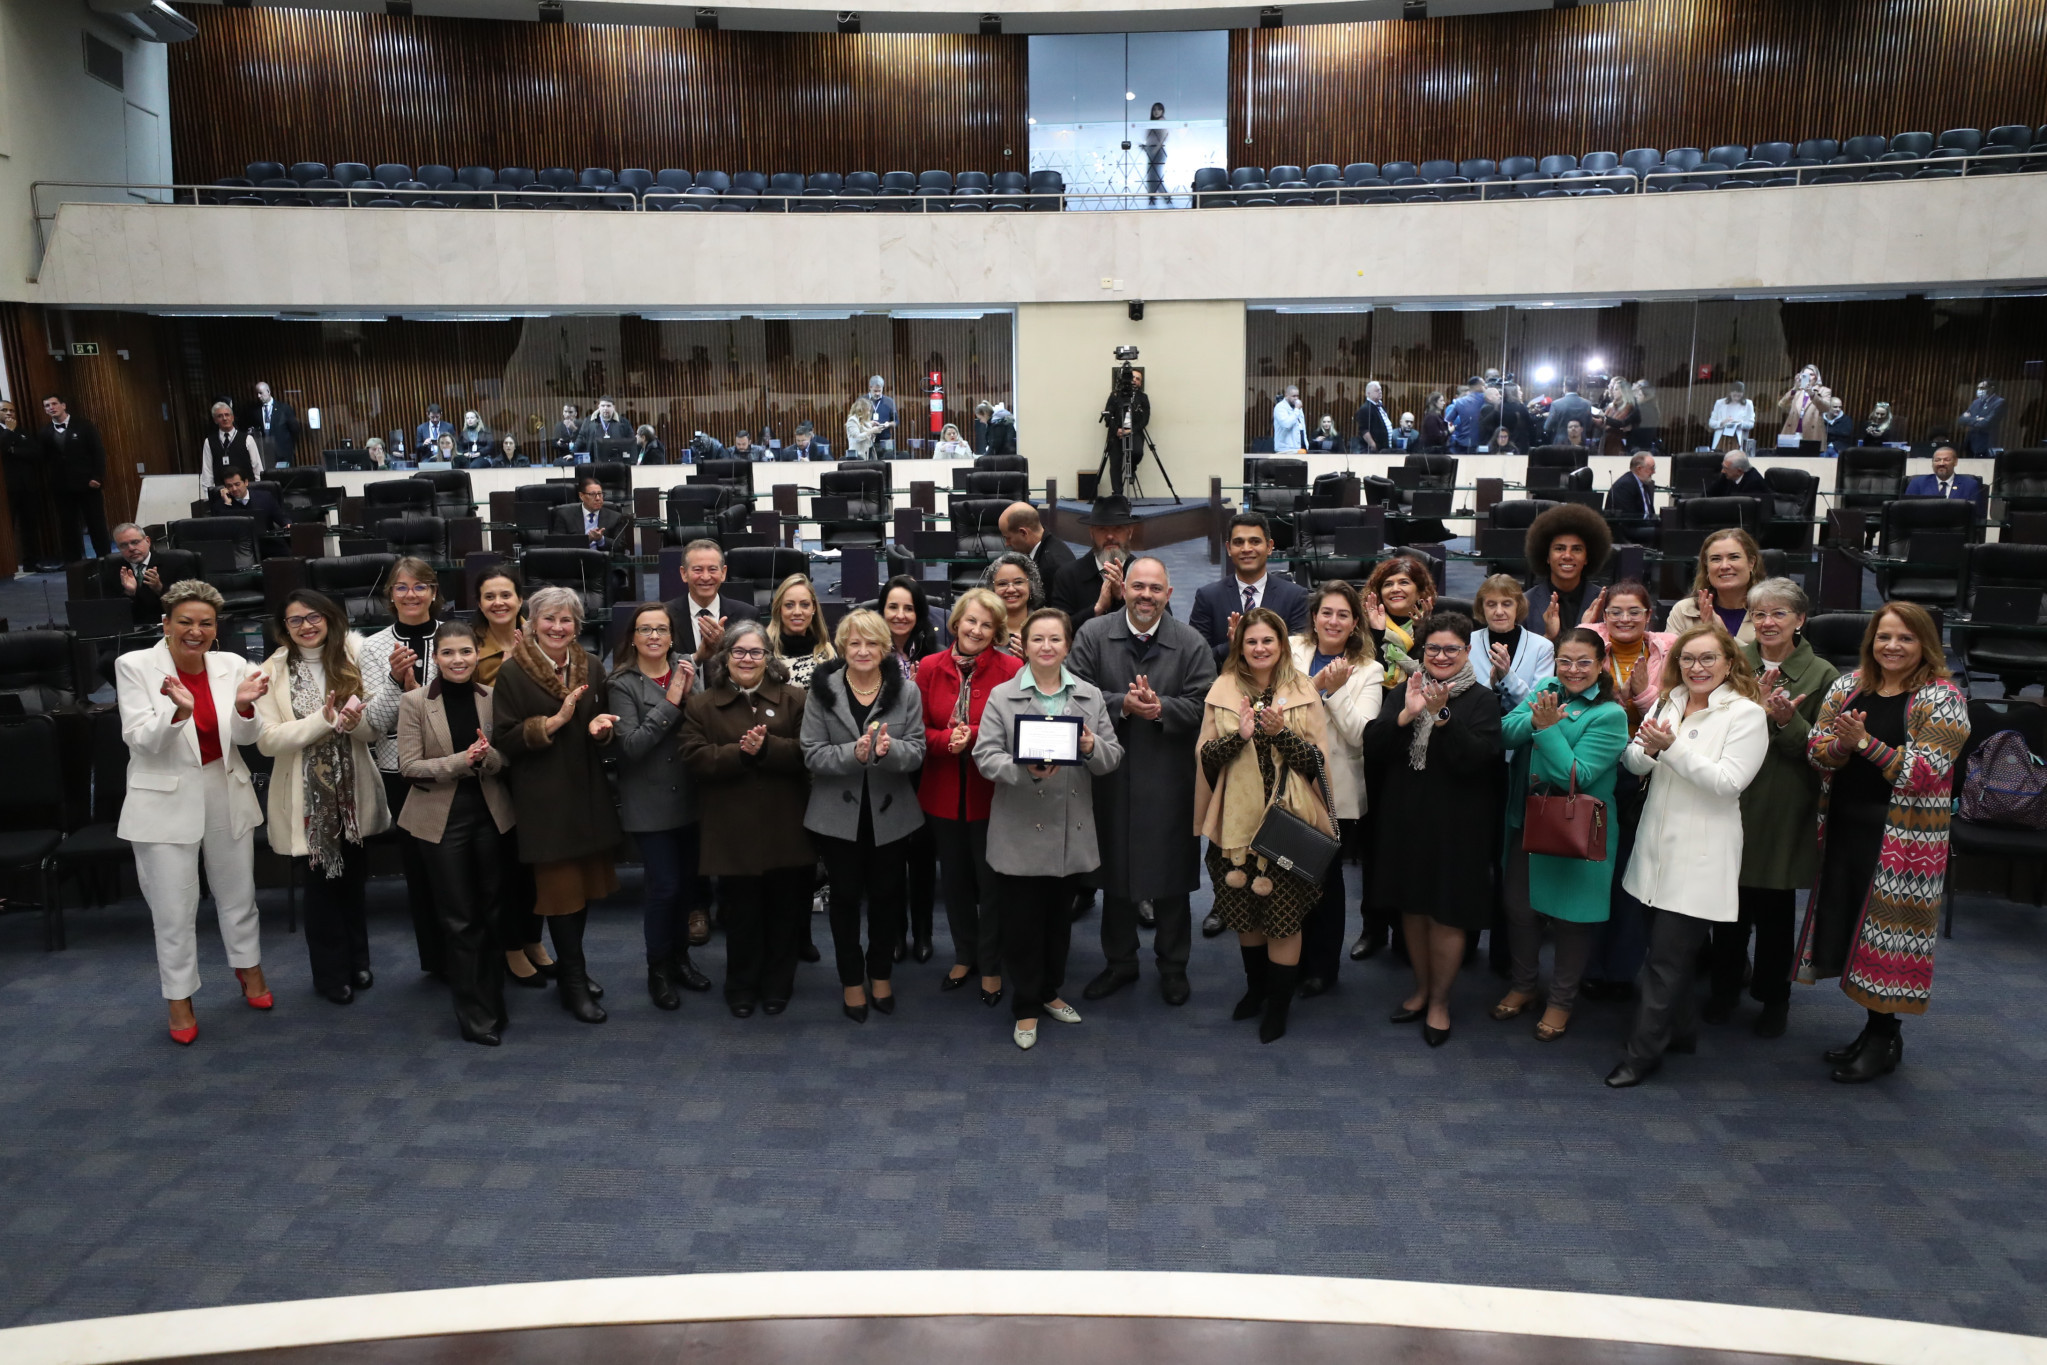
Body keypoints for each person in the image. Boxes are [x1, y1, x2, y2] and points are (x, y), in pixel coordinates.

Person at [1798, 603, 1968, 1083]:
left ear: (1926, 646)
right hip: (1847, 830)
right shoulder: (1849, 686)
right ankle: (1876, 1032)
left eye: (1906, 639)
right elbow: (1817, 749)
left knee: (1889, 940)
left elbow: (1919, 774)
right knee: (1856, 931)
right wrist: (1841, 746)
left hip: (1905, 842)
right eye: (1884, 637)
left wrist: (1864, 743)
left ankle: (1882, 1038)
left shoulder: (1943, 697)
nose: (1892, 646)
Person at [1605, 626, 1768, 1088]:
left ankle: (1641, 1055)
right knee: (1662, 951)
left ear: (1730, 663)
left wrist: (1670, 746)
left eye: (1708, 659)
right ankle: (1682, 1032)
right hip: (1654, 849)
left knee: (1664, 962)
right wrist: (1648, 749)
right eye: (1689, 659)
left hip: (1700, 855)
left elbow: (1727, 783)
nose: (1697, 668)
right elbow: (1634, 762)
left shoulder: (1746, 715)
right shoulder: (1670, 699)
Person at [116, 580, 272, 1045]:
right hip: (163, 797)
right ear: (165, 624)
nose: (195, 631)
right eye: (185, 622)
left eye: (205, 623)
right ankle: (179, 999)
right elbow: (139, 739)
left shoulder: (231, 665)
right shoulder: (135, 665)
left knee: (238, 893)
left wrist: (245, 707)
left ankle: (250, 969)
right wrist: (177, 713)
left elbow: (247, 738)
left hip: (224, 788)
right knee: (173, 909)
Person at [1072, 555, 1218, 1006]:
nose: (1146, 596)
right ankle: (1120, 964)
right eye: (1138, 587)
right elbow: (1073, 692)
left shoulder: (1191, 643)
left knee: (1172, 881)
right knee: (1115, 879)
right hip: (1109, 779)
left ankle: (1173, 967)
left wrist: (1161, 710)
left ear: (1169, 595)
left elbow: (1203, 706)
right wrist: (1122, 704)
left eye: (1156, 589)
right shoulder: (1093, 635)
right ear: (1123, 589)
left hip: (1170, 782)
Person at [975, 607, 1123, 1050]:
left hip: (1068, 831)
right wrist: (1026, 770)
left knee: (1058, 922)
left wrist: (1093, 745)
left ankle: (1049, 992)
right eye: (1037, 639)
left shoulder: (1090, 696)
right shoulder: (1003, 696)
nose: (1046, 647)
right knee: (1022, 925)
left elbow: (1113, 756)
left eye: (1055, 639)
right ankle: (1025, 1006)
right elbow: (985, 757)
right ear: (1025, 645)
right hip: (1020, 829)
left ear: (1068, 645)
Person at [1701, 577, 1837, 1037]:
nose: (1768, 622)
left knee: (1775, 915)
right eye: (1759, 614)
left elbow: (1823, 751)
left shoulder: (1823, 675)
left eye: (1779, 613)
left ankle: (1774, 999)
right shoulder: (1736, 664)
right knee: (1727, 910)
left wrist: (1785, 718)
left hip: (1783, 804)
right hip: (1732, 800)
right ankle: (1722, 991)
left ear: (1800, 620)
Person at [1362, 613, 1504, 1046]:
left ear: (1466, 653)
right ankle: (1421, 990)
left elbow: (1478, 758)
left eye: (1451, 649)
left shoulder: (1481, 700)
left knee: (1446, 913)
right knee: (1413, 907)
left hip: (1458, 827)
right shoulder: (1405, 689)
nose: (1441, 656)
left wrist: (1442, 716)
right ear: (1421, 653)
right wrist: (1406, 715)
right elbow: (1373, 746)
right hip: (1405, 820)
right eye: (1433, 649)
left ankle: (1440, 1001)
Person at [1194, 609, 1335, 1044]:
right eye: (1251, 642)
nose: (1259, 649)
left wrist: (1280, 733)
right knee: (1245, 916)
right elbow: (1206, 761)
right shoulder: (1221, 691)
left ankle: (1278, 1006)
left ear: (1281, 646)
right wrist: (1239, 736)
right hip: (1237, 826)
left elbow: (1316, 765)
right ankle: (1256, 991)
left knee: (1284, 920)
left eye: (1268, 642)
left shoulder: (1302, 691)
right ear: (1241, 647)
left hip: (1286, 826)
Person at [490, 585, 622, 1025]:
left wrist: (602, 730)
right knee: (561, 894)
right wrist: (555, 721)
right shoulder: (513, 673)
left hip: (587, 794)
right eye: (549, 619)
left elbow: (602, 730)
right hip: (544, 800)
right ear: (530, 624)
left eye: (566, 620)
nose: (558, 628)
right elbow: (505, 738)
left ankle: (571, 972)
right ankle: (574, 982)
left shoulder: (593, 666)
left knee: (582, 891)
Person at [254, 590, 391, 1006]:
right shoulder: (271, 671)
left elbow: (374, 731)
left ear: (330, 618)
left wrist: (353, 723)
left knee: (352, 884)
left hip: (353, 794)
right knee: (321, 892)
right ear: (284, 627)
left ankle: (358, 960)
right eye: (295, 621)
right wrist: (323, 720)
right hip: (306, 804)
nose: (306, 626)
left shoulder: (354, 654)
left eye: (314, 617)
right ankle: (330, 975)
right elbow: (267, 741)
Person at [1496, 628, 1629, 1042]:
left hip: (1577, 829)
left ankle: (1560, 1001)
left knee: (1572, 920)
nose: (1572, 670)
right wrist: (1540, 721)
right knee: (1520, 910)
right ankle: (1523, 985)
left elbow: (1578, 774)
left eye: (1583, 662)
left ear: (1601, 663)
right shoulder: (1546, 687)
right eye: (1565, 661)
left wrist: (1546, 729)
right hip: (1527, 819)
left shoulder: (1609, 714)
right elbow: (1504, 732)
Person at [682, 621, 813, 1017]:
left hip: (786, 825)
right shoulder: (702, 704)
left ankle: (777, 985)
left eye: (756, 652)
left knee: (784, 914)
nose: (747, 659)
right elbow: (692, 757)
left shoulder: (795, 699)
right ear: (724, 658)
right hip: (731, 829)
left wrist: (767, 748)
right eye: (739, 652)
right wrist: (740, 753)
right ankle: (740, 986)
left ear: (769, 659)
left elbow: (809, 752)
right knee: (741, 916)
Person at [396, 622, 518, 1045]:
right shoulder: (414, 702)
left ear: (475, 653)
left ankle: (493, 999)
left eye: (465, 651)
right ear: (437, 658)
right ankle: (474, 1015)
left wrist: (487, 759)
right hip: (440, 819)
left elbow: (505, 760)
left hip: (490, 815)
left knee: (492, 911)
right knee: (460, 918)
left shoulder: (491, 698)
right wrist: (461, 760)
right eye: (448, 653)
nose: (458, 660)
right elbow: (408, 766)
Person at [803, 609, 926, 1022]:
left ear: (884, 647)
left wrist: (893, 752)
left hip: (890, 813)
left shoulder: (906, 692)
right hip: (837, 816)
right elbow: (812, 753)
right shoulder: (822, 690)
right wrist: (850, 754)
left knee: (888, 898)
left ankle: (880, 973)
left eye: (871, 643)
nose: (862, 651)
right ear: (842, 647)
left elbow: (918, 751)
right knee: (845, 899)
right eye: (854, 643)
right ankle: (851, 979)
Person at [602, 602, 713, 1013]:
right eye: (645, 629)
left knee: (686, 886)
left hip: (690, 795)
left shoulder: (687, 669)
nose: (653, 636)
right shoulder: (622, 683)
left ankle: (682, 959)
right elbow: (630, 746)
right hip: (648, 801)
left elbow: (702, 722)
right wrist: (672, 700)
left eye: (661, 630)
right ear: (632, 637)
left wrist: (688, 691)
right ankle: (658, 969)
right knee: (663, 887)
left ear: (672, 637)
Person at [918, 588, 1022, 1006]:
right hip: (942, 792)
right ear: (954, 622)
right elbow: (916, 730)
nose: (977, 630)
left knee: (991, 883)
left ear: (996, 631)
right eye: (970, 621)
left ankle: (992, 964)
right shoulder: (928, 667)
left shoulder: (1013, 668)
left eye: (987, 624)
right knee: (956, 880)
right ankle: (964, 955)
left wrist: (973, 737)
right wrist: (947, 741)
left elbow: (1018, 729)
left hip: (991, 794)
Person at [1286, 582, 1383, 996]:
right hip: (1284, 780)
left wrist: (1335, 690)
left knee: (1324, 882)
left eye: (1343, 615)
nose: (1333, 621)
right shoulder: (1290, 651)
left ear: (1355, 623)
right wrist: (1314, 687)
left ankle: (1322, 967)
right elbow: (1272, 703)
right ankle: (1287, 958)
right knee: (1286, 875)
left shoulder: (1369, 670)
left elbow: (1362, 735)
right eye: (1327, 612)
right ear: (1314, 617)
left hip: (1334, 791)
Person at [357, 557, 447, 981]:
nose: (411, 595)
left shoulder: (455, 635)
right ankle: (435, 957)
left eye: (420, 586)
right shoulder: (373, 648)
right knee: (420, 868)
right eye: (402, 587)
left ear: (434, 591)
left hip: (455, 764)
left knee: (460, 865)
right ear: (389, 595)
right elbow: (374, 722)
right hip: (401, 770)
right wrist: (398, 684)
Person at [1188, 511, 1311, 665]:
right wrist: (1232, 647)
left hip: (1278, 685)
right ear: (1228, 548)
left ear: (1269, 546)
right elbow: (1195, 658)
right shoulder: (1208, 597)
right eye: (1239, 542)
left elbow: (1299, 654)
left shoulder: (1295, 596)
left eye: (1255, 541)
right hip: (1225, 684)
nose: (1246, 548)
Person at [1048, 495, 1141, 628]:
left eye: (1117, 528)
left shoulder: (1145, 574)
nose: (1110, 536)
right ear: (1091, 533)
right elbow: (1058, 629)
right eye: (1102, 529)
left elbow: (1161, 624)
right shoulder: (1068, 575)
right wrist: (1097, 608)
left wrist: (1122, 598)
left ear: (1130, 532)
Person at [1523, 502, 1611, 642]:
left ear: (1587, 557)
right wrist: (1548, 638)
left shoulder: (1606, 602)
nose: (1567, 556)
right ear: (1547, 556)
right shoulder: (1525, 603)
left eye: (1576, 549)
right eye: (1559, 548)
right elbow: (1519, 659)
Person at [664, 539, 760, 662]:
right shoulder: (665, 615)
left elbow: (755, 664)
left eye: (712, 569)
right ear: (684, 573)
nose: (705, 577)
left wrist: (724, 646)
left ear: (723, 573)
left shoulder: (747, 615)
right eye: (698, 570)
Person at [39, 394, 110, 559]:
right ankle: (74, 562)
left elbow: (98, 452)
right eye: (47, 406)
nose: (51, 408)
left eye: (54, 404)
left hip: (88, 484)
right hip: (62, 487)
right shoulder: (45, 432)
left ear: (63, 405)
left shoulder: (84, 426)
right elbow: (43, 459)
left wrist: (97, 477)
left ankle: (105, 558)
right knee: (68, 526)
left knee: (96, 523)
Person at [1663, 528, 1765, 643]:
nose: (1724, 566)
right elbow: (1671, 658)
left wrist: (1724, 635)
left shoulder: (1770, 612)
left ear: (1751, 563)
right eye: (1716, 559)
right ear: (1706, 567)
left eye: (1734, 557)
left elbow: (1771, 660)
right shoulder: (1684, 610)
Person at [1475, 575, 1556, 717]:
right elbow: (1463, 701)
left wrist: (1507, 678)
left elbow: (1539, 705)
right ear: (1482, 607)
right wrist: (1492, 683)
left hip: (1524, 732)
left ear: (1518, 606)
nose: (1499, 612)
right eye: (1491, 604)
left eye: (1506, 604)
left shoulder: (1543, 647)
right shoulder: (1466, 643)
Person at [1, 399, 50, 570]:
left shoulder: (22, 432)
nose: (9, 414)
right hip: (7, 490)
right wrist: (8, 432)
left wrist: (13, 451)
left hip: (28, 486)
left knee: (30, 526)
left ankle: (31, 562)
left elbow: (37, 453)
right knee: (7, 528)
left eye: (12, 411)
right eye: (5, 410)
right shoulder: (9, 431)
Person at [766, 572, 835, 686]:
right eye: (789, 605)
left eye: (804, 605)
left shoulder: (827, 652)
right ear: (779, 609)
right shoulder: (764, 653)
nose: (797, 612)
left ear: (813, 608)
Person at [103, 522, 174, 625]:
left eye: (135, 542)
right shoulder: (113, 570)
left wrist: (160, 589)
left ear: (148, 541)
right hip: (133, 631)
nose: (131, 548)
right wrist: (129, 593)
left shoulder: (173, 562)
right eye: (124, 545)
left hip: (168, 627)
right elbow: (113, 614)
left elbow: (187, 604)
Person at [982, 551, 1045, 659]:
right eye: (1002, 584)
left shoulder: (1047, 627)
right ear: (992, 590)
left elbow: (1062, 673)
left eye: (1018, 582)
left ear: (1031, 586)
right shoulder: (981, 629)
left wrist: (1034, 662)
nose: (1011, 589)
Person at [999, 501, 1078, 581]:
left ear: (1023, 533)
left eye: (1008, 538)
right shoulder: (1050, 547)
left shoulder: (1051, 567)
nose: (1007, 544)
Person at [550, 476, 628, 552]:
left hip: (603, 561)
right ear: (581, 496)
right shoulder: (565, 515)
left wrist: (601, 539)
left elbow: (620, 547)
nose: (598, 498)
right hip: (574, 560)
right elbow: (557, 544)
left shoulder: (615, 517)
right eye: (592, 494)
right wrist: (587, 539)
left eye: (600, 494)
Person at [198, 401, 263, 492]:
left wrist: (259, 490)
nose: (224, 418)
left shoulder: (247, 439)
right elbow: (207, 471)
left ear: (232, 417)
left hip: (247, 491)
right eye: (220, 416)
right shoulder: (209, 442)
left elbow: (257, 468)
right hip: (222, 493)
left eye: (227, 415)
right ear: (215, 420)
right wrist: (207, 495)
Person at [1902, 443, 1986, 512]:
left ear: (1955, 462)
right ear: (1932, 463)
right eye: (1937, 460)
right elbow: (1906, 511)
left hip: (1957, 530)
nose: (1941, 463)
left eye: (1947, 460)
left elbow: (1977, 515)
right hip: (1924, 530)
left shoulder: (1970, 485)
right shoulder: (1917, 483)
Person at [209, 469, 288, 537]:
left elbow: (282, 519)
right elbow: (221, 531)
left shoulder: (265, 497)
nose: (234, 489)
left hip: (266, 541)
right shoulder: (220, 506)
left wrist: (288, 525)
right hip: (239, 546)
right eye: (229, 486)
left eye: (237, 484)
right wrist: (227, 504)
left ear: (246, 482)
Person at [1778, 365, 1827, 453]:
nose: (1808, 377)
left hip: (1811, 432)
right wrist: (1794, 388)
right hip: (1793, 431)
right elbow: (1782, 404)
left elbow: (1825, 408)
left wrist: (1811, 393)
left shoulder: (1824, 391)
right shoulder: (1797, 391)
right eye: (1805, 375)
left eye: (1811, 374)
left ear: (1816, 377)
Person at [249, 381, 297, 466]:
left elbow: (294, 430)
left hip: (282, 453)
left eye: (260, 393)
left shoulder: (283, 408)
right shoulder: (255, 411)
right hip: (265, 454)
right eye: (257, 393)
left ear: (268, 391)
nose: (258, 396)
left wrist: (289, 449)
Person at [1956, 379, 2004, 455]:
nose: (1979, 390)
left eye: (1982, 388)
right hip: (1971, 442)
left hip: (1986, 443)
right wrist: (1977, 419)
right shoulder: (1976, 402)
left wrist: (1969, 419)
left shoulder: (1999, 402)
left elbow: (1985, 423)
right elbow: (1961, 420)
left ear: (1991, 388)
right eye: (1978, 388)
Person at [1709, 382, 1756, 453]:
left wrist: (1740, 423)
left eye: (1739, 394)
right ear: (1730, 392)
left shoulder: (1748, 404)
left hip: (1737, 439)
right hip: (1721, 439)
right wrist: (1722, 422)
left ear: (1743, 394)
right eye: (1734, 394)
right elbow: (1711, 423)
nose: (1736, 397)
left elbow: (1751, 424)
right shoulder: (1720, 403)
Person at [1543, 379, 1594, 444]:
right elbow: (1589, 426)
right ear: (1578, 387)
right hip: (1580, 442)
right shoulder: (1587, 404)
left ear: (1565, 388)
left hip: (1561, 443)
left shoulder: (1556, 404)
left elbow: (1547, 426)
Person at [1599, 376, 1637, 456]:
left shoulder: (1628, 406)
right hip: (1606, 440)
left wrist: (1604, 419)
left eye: (1615, 389)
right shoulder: (1610, 405)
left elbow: (1618, 423)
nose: (1612, 390)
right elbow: (1603, 423)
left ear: (1623, 391)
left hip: (1617, 442)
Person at [1445, 377, 1485, 453]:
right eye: (1483, 385)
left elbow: (1447, 420)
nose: (1485, 386)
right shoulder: (1486, 398)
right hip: (1480, 443)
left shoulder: (1460, 402)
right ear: (1478, 386)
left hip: (1462, 442)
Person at [1354, 380, 1393, 453]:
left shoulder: (1381, 406)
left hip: (1385, 447)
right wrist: (1373, 445)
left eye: (1380, 389)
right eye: (1377, 390)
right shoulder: (1365, 408)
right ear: (1368, 394)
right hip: (1376, 450)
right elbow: (1363, 430)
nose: (1380, 392)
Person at [866, 375, 898, 455]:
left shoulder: (889, 401)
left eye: (880, 391)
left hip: (885, 440)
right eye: (875, 391)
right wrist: (869, 423)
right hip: (866, 440)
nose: (878, 393)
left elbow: (896, 422)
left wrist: (888, 424)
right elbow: (857, 421)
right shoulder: (862, 400)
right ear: (870, 387)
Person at [1271, 385, 1307, 454]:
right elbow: (1286, 424)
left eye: (1297, 396)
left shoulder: (1298, 408)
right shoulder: (1280, 407)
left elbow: (1301, 426)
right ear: (1286, 395)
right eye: (1293, 396)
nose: (1296, 398)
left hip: (1299, 448)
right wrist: (1296, 410)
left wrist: (1306, 444)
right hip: (1285, 450)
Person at [1631, 380, 1662, 451]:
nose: (1633, 384)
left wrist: (1630, 427)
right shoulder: (1650, 407)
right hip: (1643, 445)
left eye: (1637, 384)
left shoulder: (1644, 408)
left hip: (1639, 446)